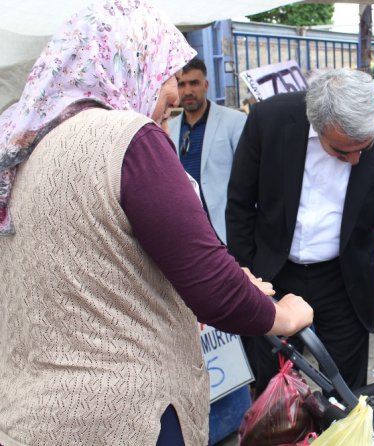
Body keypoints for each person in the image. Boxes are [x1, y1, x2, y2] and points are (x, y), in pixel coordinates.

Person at [0, 1, 313, 445]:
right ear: (129, 61)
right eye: (167, 72)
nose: (172, 93)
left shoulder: (25, 150)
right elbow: (213, 291)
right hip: (126, 418)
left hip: (31, 417)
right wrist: (282, 315)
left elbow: (98, 276)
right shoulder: (129, 137)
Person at [226, 68, 374, 395]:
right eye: (343, 151)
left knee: (347, 394)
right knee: (273, 390)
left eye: (364, 147)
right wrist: (246, 277)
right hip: (273, 276)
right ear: (317, 124)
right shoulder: (270, 120)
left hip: (344, 284)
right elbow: (240, 205)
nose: (356, 160)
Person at [167, 58, 246, 243]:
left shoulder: (234, 122)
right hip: (186, 232)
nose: (187, 91)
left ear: (206, 84)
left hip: (225, 231)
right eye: (181, 84)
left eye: (194, 83)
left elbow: (247, 179)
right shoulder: (169, 128)